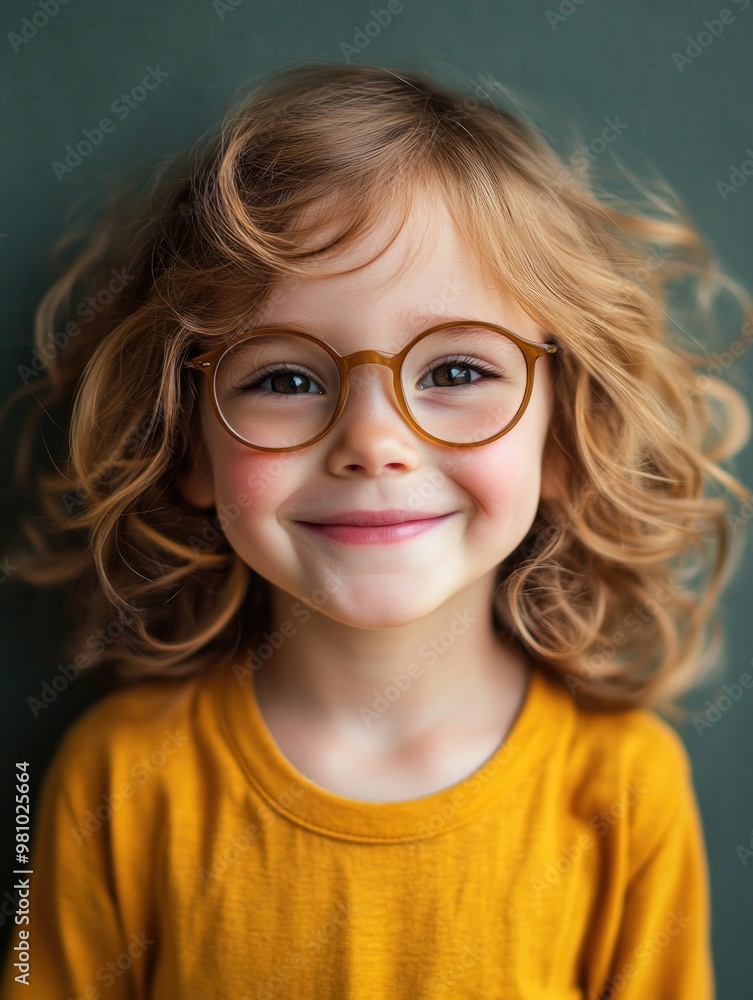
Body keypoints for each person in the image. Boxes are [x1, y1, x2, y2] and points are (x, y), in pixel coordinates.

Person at [1, 61, 751, 999]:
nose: (373, 442)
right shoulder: (116, 777)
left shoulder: (623, 785)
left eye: (458, 371)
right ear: (187, 444)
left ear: (564, 435)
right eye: (283, 379)